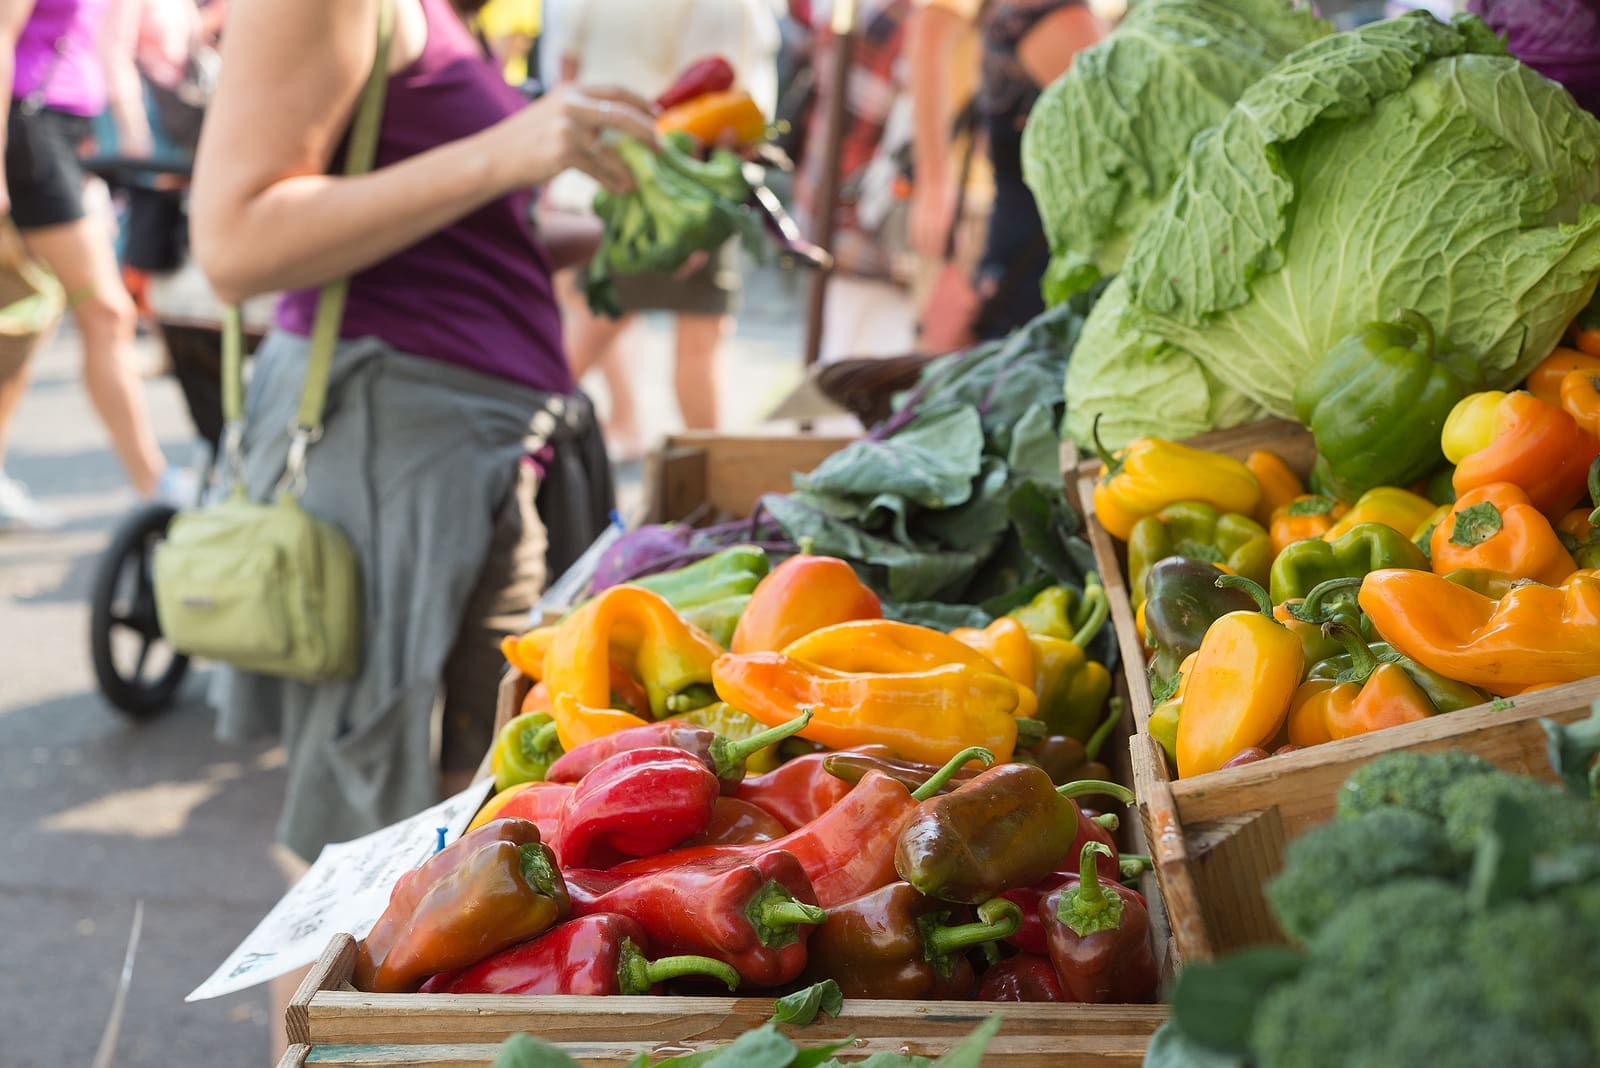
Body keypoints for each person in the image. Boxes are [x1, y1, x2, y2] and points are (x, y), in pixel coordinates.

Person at [189, 0, 649, 1053]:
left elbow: (440, 230)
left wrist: (619, 226)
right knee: (365, 866)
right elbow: (233, 240)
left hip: (464, 452)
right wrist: (506, 149)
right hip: (396, 452)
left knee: (439, 839)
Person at [552, 0, 779, 457]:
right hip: (659, 187)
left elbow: (568, 72)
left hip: (599, 176)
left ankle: (528, 439)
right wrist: (692, 224)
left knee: (593, 325)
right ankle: (713, 478)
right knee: (692, 339)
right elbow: (717, 105)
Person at [0, 0, 187, 530]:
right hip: (29, 130)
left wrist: (129, 137)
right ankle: (152, 481)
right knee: (107, 313)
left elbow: (107, 45)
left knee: (26, 318)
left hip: (64, 131)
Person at [908, 0, 1101, 339]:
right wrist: (936, 183)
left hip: (1015, 245)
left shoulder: (1023, 17)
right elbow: (928, 34)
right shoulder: (1055, 24)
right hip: (1033, 262)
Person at [790, 0, 921, 366]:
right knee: (861, 361)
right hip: (862, 215)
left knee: (847, 351)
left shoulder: (860, 14)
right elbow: (859, 126)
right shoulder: (891, 19)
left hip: (845, 207)